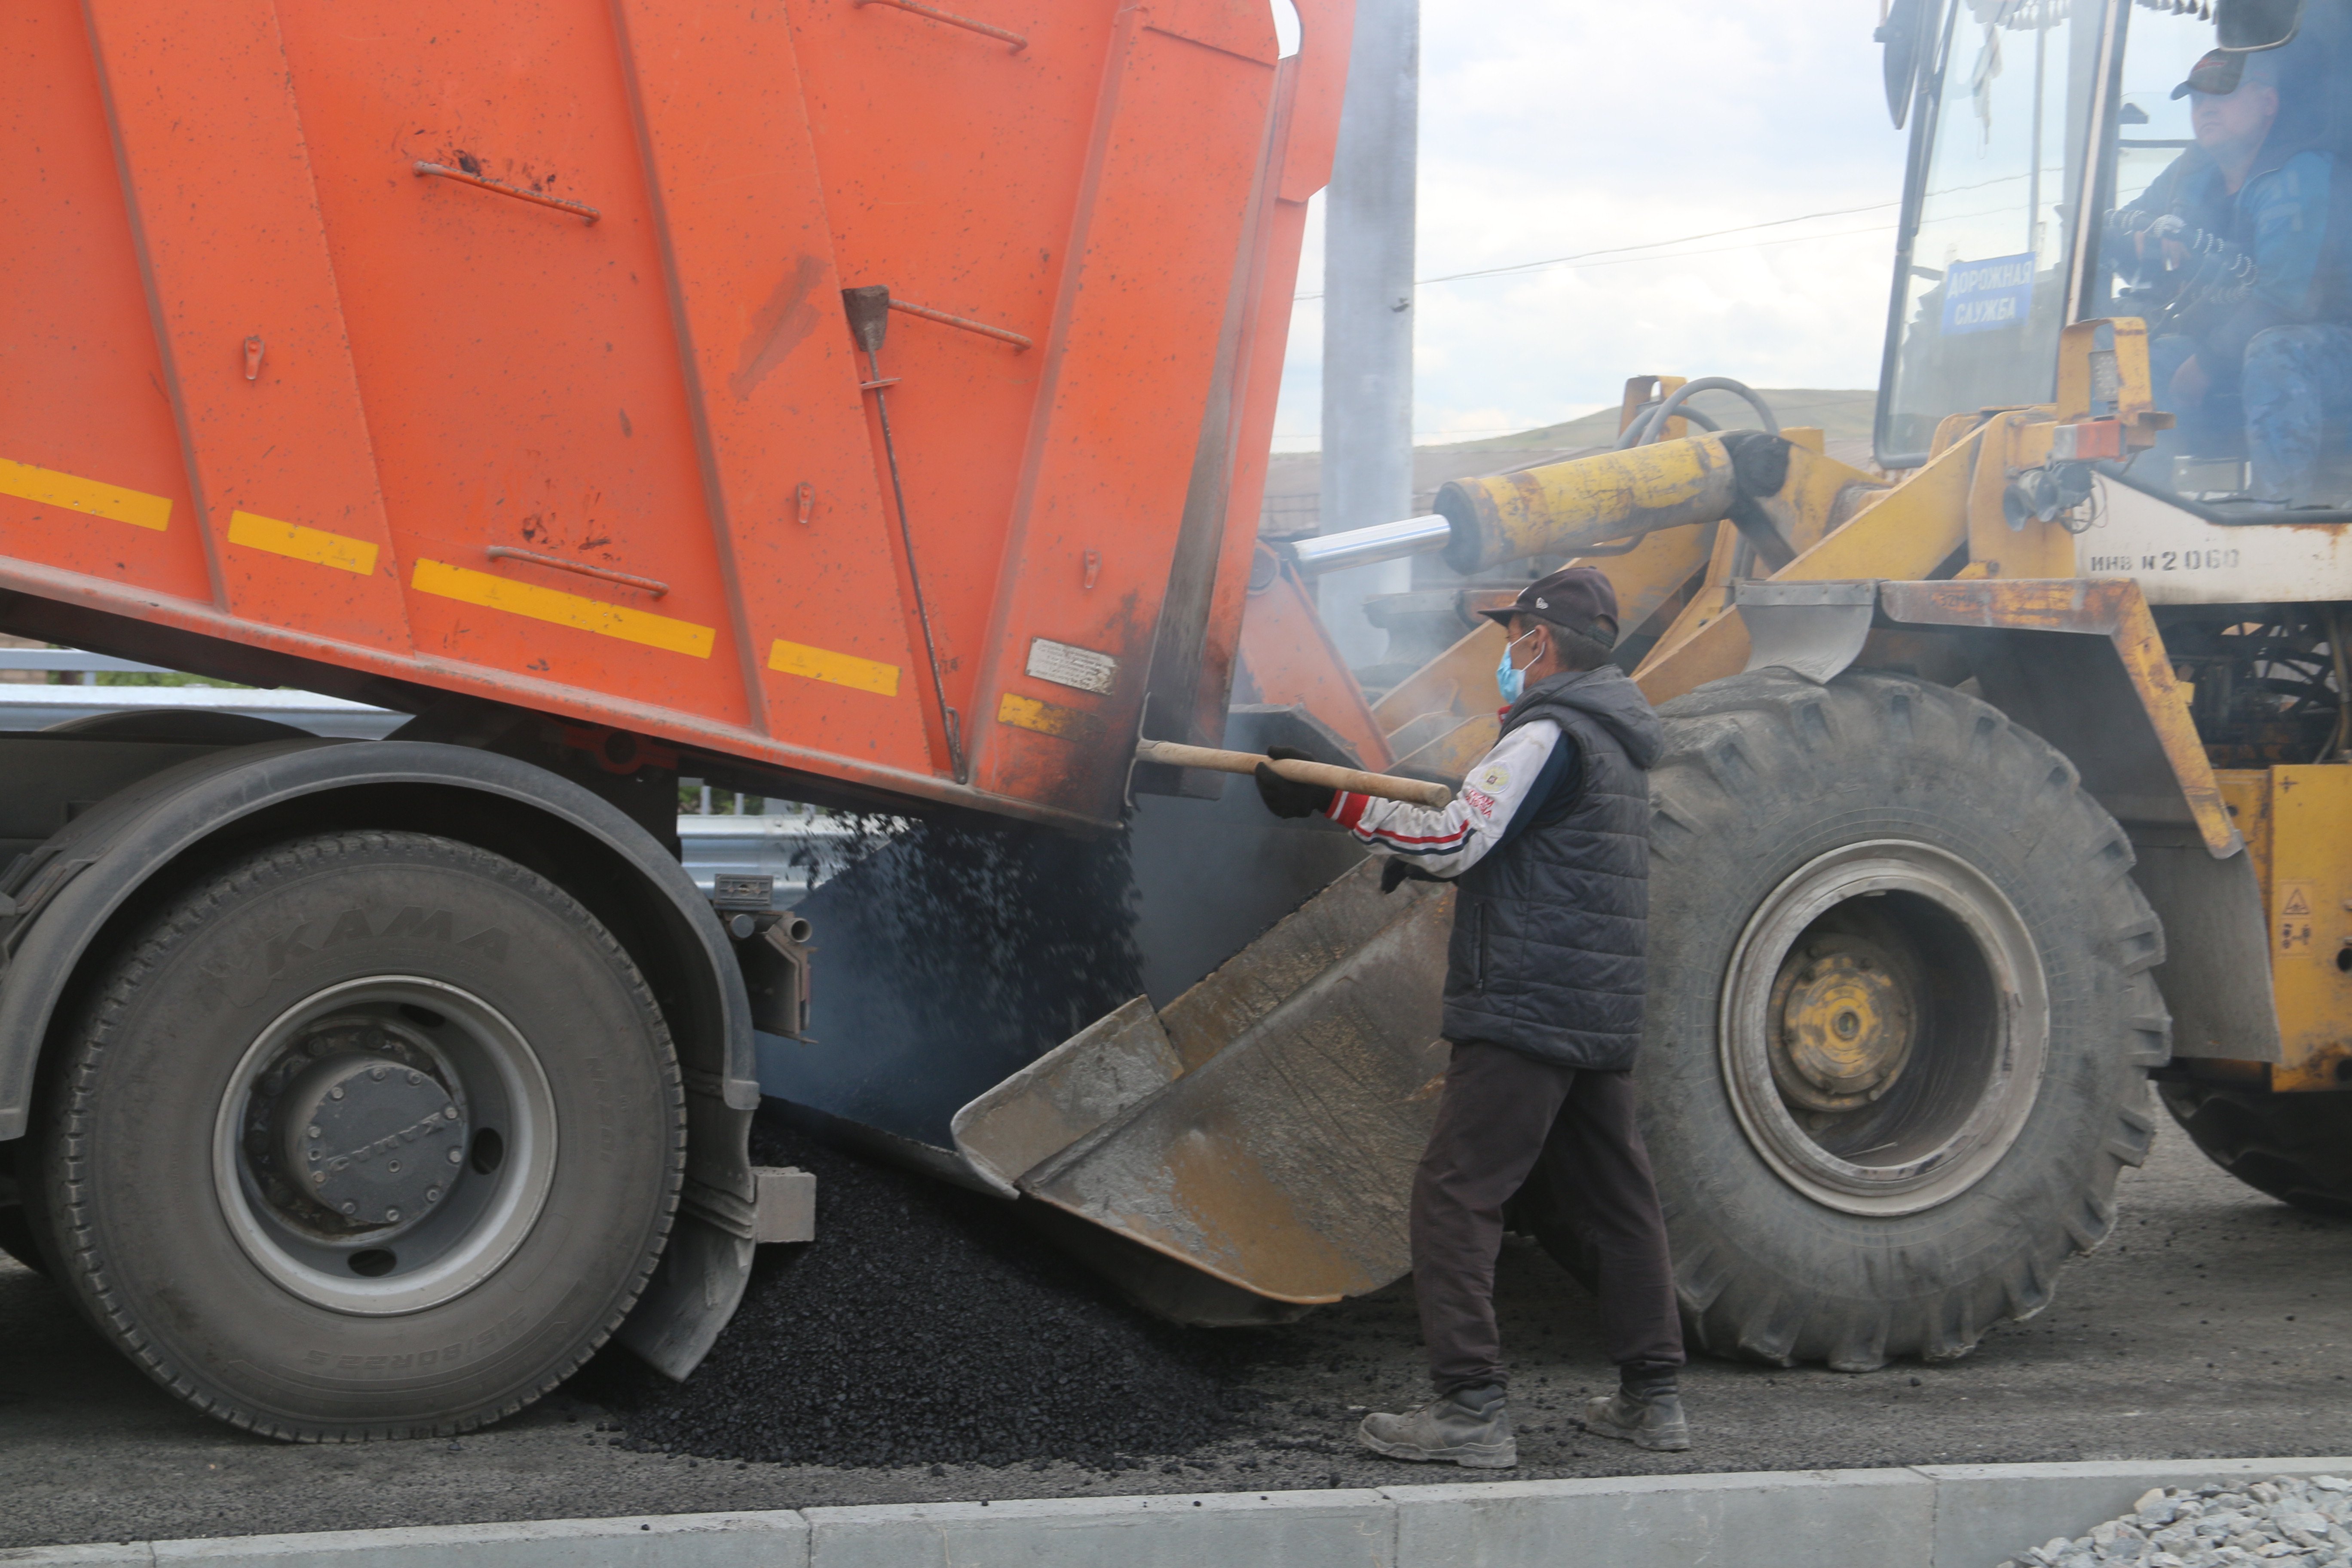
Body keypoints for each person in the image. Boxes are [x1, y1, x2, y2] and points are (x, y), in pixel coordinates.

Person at [1251, 566, 1687, 1469]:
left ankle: (1470, 1411)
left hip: (1524, 1004)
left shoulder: (1546, 733)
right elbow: (1521, 839)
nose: (1506, 653)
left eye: (1511, 637)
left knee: (1456, 1192)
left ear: (1543, 639)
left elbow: (1457, 838)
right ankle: (1655, 1401)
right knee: (1618, 1200)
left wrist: (1336, 802)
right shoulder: (1613, 742)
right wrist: (1398, 806)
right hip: (1595, 1007)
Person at [2117, 45, 2352, 504]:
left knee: (2275, 351)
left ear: (2267, 103)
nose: (2205, 107)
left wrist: (2206, 364)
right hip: (2234, 348)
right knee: (2132, 362)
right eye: (2196, 98)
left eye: (2222, 93)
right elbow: (2119, 227)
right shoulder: (2192, 171)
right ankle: (2144, 503)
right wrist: (2142, 234)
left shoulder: (2300, 173)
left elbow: (2287, 299)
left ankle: (2277, 515)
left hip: (2330, 346)